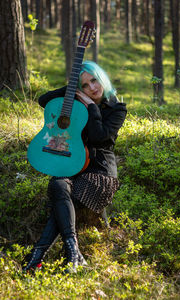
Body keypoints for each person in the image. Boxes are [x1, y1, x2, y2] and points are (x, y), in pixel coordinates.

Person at [22, 60, 127, 273]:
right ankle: (73, 253)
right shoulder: (76, 99)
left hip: (99, 171)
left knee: (72, 196)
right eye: (85, 85)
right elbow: (44, 100)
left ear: (102, 78)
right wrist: (72, 90)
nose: (92, 88)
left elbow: (99, 138)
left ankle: (37, 255)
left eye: (94, 81)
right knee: (58, 186)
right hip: (72, 164)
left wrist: (90, 106)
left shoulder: (116, 108)